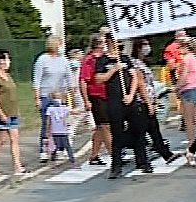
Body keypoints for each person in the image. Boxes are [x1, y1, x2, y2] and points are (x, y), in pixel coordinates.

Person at [101, 42, 149, 179]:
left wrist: (131, 95)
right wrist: (113, 70)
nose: (119, 48)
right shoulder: (103, 60)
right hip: (114, 101)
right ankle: (116, 166)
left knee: (138, 131)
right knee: (117, 133)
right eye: (117, 45)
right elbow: (99, 79)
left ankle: (143, 161)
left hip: (129, 100)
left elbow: (135, 77)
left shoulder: (125, 59)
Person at [32, 36, 70, 163]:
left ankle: (58, 149)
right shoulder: (43, 59)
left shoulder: (64, 60)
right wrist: (37, 98)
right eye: (60, 44)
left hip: (59, 96)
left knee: (60, 124)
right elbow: (37, 80)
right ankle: (44, 150)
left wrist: (68, 93)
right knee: (47, 124)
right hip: (45, 95)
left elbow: (67, 77)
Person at [0, 50, 24, 175]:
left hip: (13, 111)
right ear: (0, 61)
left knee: (15, 139)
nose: (9, 62)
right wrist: (1, 114)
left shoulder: (7, 75)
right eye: (6, 59)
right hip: (2, 112)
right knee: (1, 139)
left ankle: (18, 166)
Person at [78, 33, 112, 166]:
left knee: (99, 127)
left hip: (106, 94)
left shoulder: (105, 58)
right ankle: (113, 153)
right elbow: (83, 80)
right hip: (96, 95)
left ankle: (94, 155)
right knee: (105, 126)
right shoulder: (90, 60)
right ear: (99, 44)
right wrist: (86, 100)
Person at [175, 35, 196, 151]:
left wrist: (176, 87)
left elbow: (184, 77)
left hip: (188, 89)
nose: (179, 49)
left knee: (189, 121)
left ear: (186, 46)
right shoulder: (194, 57)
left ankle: (192, 144)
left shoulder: (186, 59)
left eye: (180, 46)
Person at [45, 92, 75, 164]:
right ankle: (71, 158)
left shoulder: (51, 108)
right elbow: (48, 120)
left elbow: (48, 121)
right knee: (65, 145)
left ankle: (55, 156)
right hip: (61, 130)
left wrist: (48, 130)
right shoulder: (63, 108)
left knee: (58, 144)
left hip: (58, 130)